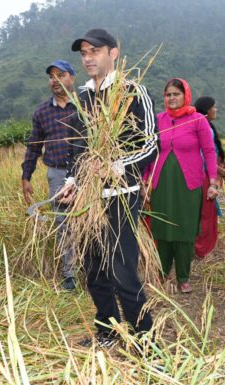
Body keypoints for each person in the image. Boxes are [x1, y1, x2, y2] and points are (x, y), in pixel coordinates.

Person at [58, 28, 158, 346]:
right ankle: (108, 331)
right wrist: (73, 182)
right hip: (89, 201)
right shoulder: (82, 98)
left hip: (120, 196)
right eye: (84, 53)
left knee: (122, 271)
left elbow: (151, 144)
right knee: (94, 270)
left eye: (94, 51)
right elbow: (77, 148)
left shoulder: (132, 91)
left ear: (113, 54)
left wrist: (115, 165)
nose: (88, 58)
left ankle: (145, 339)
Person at [145, 79, 218, 293]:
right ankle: (162, 272)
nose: (172, 98)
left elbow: (209, 151)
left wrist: (213, 181)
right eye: (168, 94)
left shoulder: (197, 120)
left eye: (176, 94)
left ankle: (183, 276)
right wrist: (145, 181)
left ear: (185, 95)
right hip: (161, 183)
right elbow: (150, 153)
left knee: (185, 229)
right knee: (161, 227)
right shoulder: (157, 120)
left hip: (190, 183)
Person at [21, 60, 78, 290]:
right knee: (63, 223)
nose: (55, 80)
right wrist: (26, 176)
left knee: (91, 220)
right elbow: (34, 145)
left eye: (60, 75)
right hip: (57, 174)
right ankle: (70, 275)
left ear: (71, 78)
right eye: (51, 76)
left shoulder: (86, 104)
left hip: (86, 173)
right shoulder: (42, 112)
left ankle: (96, 270)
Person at [193, 96, 225, 258]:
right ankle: (201, 249)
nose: (216, 109)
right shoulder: (204, 126)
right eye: (214, 107)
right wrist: (220, 172)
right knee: (205, 214)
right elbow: (206, 154)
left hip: (202, 175)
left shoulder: (198, 123)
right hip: (203, 177)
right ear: (207, 110)